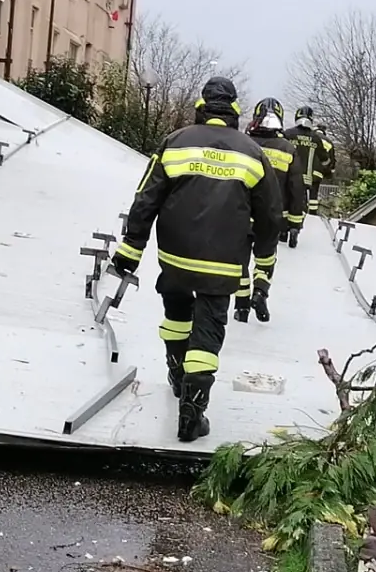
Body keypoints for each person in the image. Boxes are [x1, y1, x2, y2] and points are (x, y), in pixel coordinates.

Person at [111, 77, 285, 442]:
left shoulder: (175, 142)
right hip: (223, 263)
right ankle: (193, 411)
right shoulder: (253, 153)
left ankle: (177, 372)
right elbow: (270, 215)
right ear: (235, 110)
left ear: (201, 106)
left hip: (174, 255)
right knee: (207, 331)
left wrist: (130, 250)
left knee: (176, 317)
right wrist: (263, 264)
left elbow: (147, 198)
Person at [237, 98, 299, 323]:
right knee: (266, 258)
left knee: (240, 261)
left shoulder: (243, 144)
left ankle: (241, 306)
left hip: (242, 214)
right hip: (273, 215)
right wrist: (295, 222)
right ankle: (261, 291)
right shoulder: (288, 149)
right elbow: (296, 188)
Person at [284, 108, 334, 244]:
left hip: (287, 175)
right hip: (305, 178)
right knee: (299, 204)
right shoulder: (315, 138)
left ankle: (283, 230)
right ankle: (295, 229)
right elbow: (325, 159)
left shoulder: (288, 134)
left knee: (284, 201)